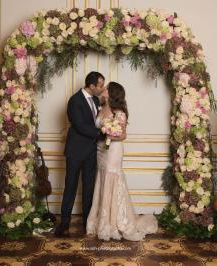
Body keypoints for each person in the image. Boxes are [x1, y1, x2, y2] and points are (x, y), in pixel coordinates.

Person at [86, 81, 158, 241]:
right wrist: (103, 133)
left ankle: (113, 223)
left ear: (112, 93)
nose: (103, 90)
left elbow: (123, 135)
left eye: (106, 89)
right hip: (100, 150)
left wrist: (110, 134)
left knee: (113, 179)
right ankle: (101, 220)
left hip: (113, 151)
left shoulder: (119, 112)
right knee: (102, 179)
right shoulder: (100, 107)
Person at [54, 71, 105, 237]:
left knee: (89, 187)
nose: (102, 88)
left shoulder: (97, 100)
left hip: (91, 151)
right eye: (100, 85)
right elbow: (80, 125)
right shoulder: (74, 101)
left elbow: (96, 121)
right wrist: (101, 133)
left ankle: (87, 222)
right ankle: (64, 223)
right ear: (91, 86)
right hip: (75, 151)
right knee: (70, 187)